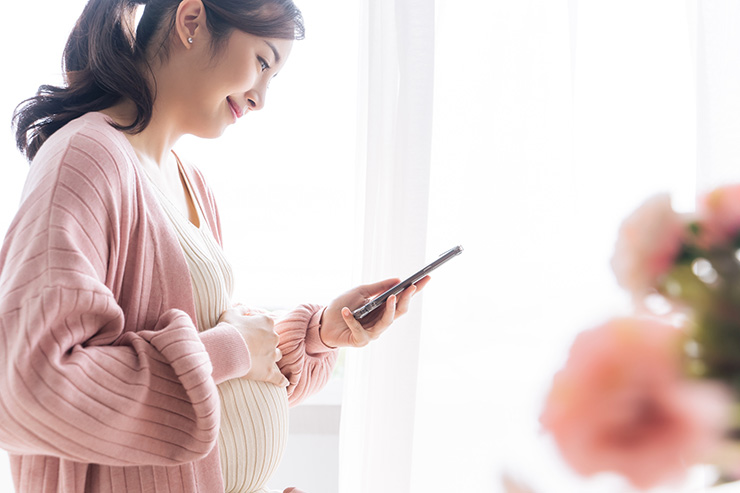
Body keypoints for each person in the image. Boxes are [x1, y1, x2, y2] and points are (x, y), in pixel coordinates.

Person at [0, 0, 429, 492]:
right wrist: (233, 348)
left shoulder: (191, 183)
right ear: (191, 21)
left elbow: (208, 380)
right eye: (263, 61)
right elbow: (26, 385)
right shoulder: (87, 159)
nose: (262, 97)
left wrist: (319, 335)